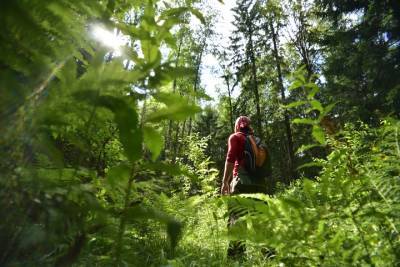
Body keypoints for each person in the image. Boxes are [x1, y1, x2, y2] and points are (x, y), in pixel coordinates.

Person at [221, 116, 267, 259]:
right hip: (260, 187)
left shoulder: (235, 137)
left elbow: (230, 159)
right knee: (261, 224)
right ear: (249, 127)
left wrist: (225, 182)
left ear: (237, 126)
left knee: (237, 222)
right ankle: (270, 257)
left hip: (241, 184)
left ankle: (237, 258)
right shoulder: (258, 141)